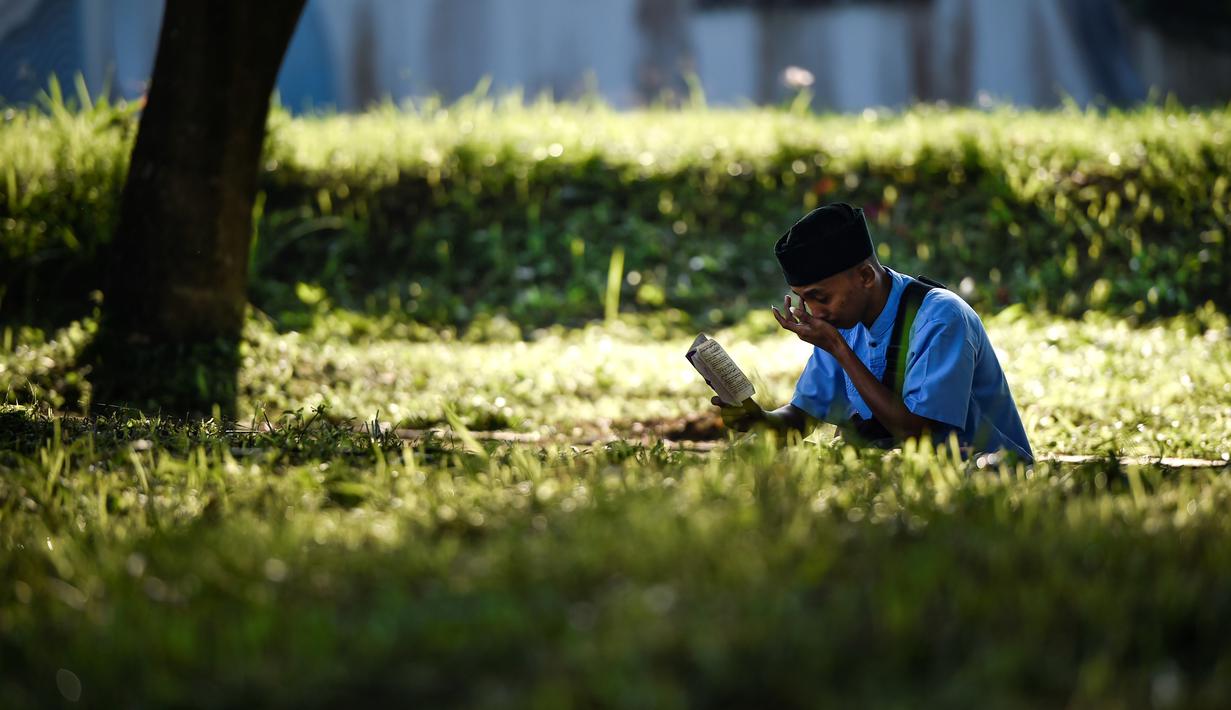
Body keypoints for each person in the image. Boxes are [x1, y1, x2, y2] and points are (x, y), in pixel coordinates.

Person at [713, 202, 1033, 463]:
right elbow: (801, 418)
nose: (815, 312)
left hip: (983, 469)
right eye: (804, 299)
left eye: (820, 297)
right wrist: (760, 420)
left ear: (866, 276)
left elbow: (918, 435)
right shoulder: (842, 323)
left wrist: (839, 349)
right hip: (900, 472)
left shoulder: (939, 317)